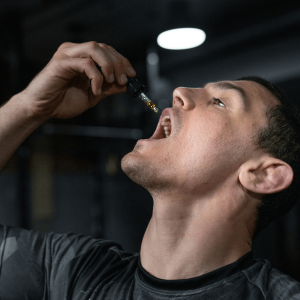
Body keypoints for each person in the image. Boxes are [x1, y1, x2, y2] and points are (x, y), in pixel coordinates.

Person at [0, 41, 300, 300]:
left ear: (263, 175)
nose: (179, 92)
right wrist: (28, 108)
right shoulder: (71, 273)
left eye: (220, 102)